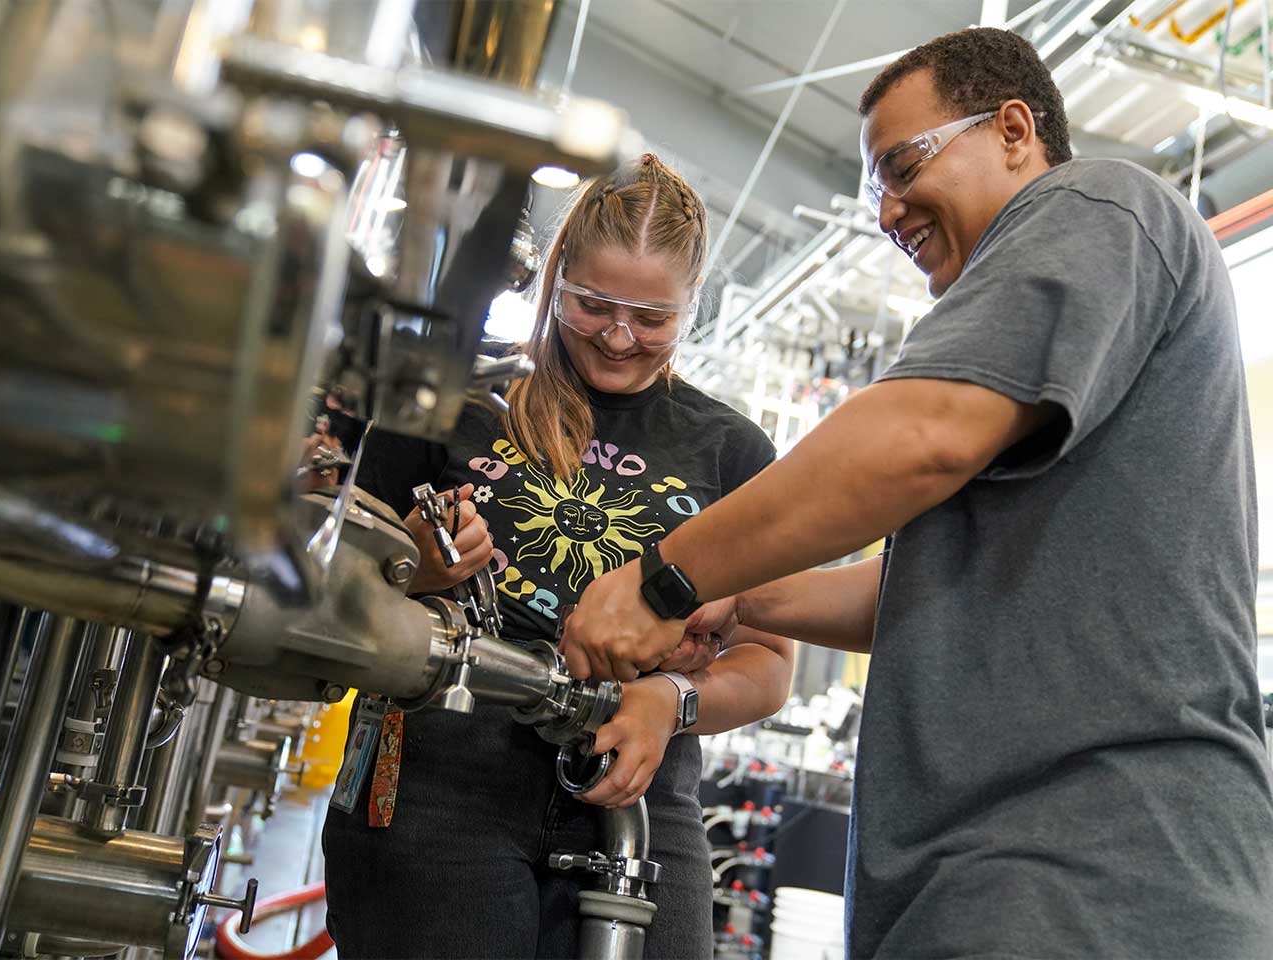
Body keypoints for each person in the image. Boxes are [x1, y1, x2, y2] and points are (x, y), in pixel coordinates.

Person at [561, 28, 1273, 959]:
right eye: (875, 191)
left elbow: (918, 437)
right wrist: (742, 602)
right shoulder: (1025, 368)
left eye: (904, 166)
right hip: (993, 879)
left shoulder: (1097, 205)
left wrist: (665, 579)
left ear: (1014, 130)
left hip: (1085, 869)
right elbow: (929, 585)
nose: (889, 212)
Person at [321, 153, 795, 959]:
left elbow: (768, 663)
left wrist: (670, 700)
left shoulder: (733, 451)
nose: (619, 336)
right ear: (557, 275)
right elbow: (331, 585)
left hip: (639, 790)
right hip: (441, 785)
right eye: (592, 305)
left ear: (693, 306)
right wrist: (417, 570)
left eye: (653, 317)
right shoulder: (456, 398)